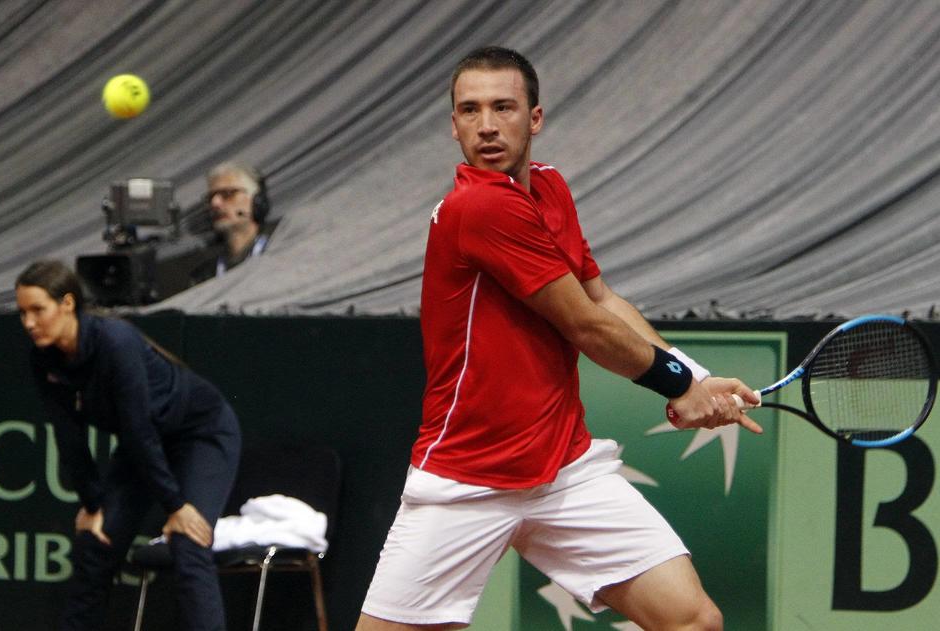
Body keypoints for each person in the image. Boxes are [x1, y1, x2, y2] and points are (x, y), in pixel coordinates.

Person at [355, 47, 763, 631]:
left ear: (535, 118)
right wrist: (676, 385)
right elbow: (586, 326)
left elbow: (603, 300)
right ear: (454, 125)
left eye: (503, 107)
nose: (487, 125)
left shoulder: (549, 188)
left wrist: (693, 375)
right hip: (468, 477)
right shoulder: (479, 206)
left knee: (693, 621)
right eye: (470, 110)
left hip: (564, 469)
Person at [15, 259, 241, 631]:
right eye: (22, 313)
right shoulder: (43, 359)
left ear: (67, 303)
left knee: (188, 542)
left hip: (200, 433)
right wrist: (92, 504)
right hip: (144, 447)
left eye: (38, 310)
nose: (28, 322)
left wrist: (175, 506)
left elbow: (138, 429)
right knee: (95, 542)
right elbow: (68, 435)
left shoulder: (115, 341)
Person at [190, 161, 274, 283]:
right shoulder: (203, 275)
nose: (215, 203)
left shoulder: (280, 251)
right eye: (210, 197)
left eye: (227, 194)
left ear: (257, 201)